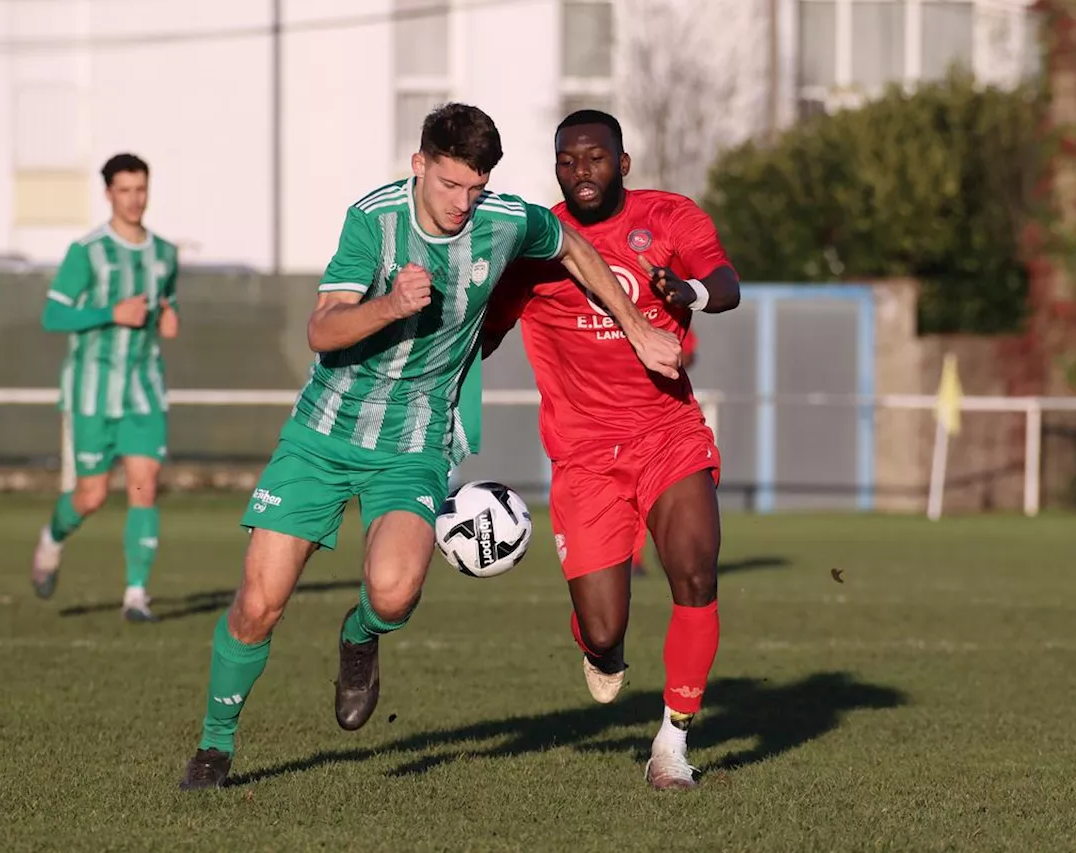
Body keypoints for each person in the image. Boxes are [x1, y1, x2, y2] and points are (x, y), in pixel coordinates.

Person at [177, 103, 681, 791]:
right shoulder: (374, 220)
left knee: (392, 592)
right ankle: (214, 745)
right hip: (323, 433)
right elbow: (322, 330)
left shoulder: (504, 219)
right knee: (259, 602)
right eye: (450, 186)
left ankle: (360, 634)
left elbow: (571, 248)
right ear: (420, 165)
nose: (462, 204)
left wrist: (635, 327)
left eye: (475, 188)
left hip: (415, 439)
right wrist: (388, 304)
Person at [483, 110, 741, 790]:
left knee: (696, 570)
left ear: (623, 163)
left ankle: (672, 744)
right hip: (585, 455)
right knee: (604, 629)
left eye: (595, 158)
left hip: (668, 433)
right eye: (567, 160)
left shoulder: (670, 217)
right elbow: (486, 330)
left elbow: (727, 282)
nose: (580, 171)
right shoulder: (535, 243)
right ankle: (600, 644)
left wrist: (689, 292)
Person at [31, 153, 180, 623]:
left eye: (141, 189)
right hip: (92, 392)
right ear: (108, 194)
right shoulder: (88, 251)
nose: (134, 200)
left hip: (143, 390)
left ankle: (136, 595)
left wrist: (169, 316)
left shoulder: (165, 253)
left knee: (144, 485)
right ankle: (52, 538)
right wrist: (110, 313)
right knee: (91, 495)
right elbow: (53, 315)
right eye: (125, 190)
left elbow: (164, 303)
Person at [631, 327, 697, 577]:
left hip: (664, 418)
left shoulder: (667, 307)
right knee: (630, 496)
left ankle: (671, 550)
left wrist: (670, 358)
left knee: (669, 493)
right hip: (618, 421)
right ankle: (633, 561)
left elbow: (689, 352)